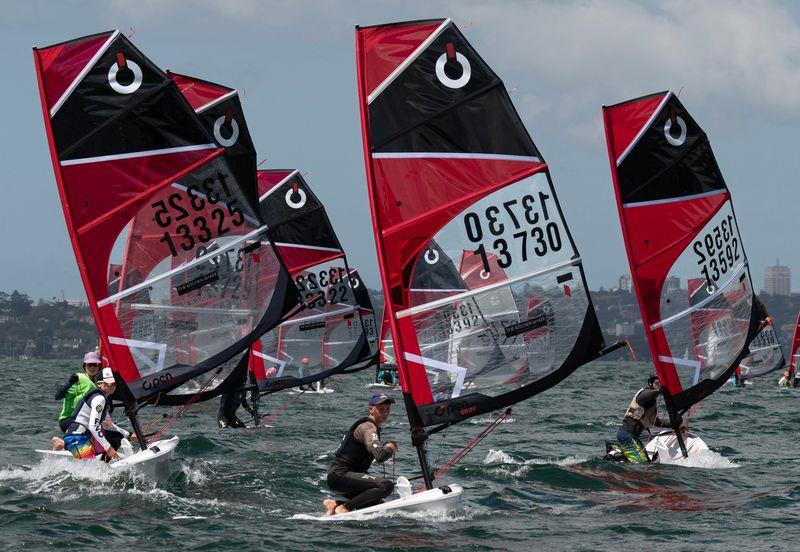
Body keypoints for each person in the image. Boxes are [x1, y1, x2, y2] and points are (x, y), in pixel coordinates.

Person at [323, 392, 398, 516]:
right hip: (341, 475)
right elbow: (380, 456)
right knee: (386, 486)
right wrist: (390, 448)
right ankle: (344, 508)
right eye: (381, 409)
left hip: (344, 476)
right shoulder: (368, 427)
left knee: (376, 504)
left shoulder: (371, 427)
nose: (385, 412)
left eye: (388, 409)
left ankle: (335, 504)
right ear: (371, 409)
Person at [63, 368, 131, 461]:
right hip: (76, 439)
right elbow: (93, 427)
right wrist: (109, 448)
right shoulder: (99, 399)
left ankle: (103, 463)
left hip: (82, 437)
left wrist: (128, 434)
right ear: (99, 384)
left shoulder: (103, 399)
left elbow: (108, 425)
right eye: (108, 384)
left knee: (116, 437)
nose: (111, 387)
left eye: (114, 384)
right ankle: (102, 465)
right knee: (92, 465)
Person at [616, 375, 670, 463]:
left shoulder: (652, 403)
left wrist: (675, 424)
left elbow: (656, 422)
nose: (659, 385)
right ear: (650, 384)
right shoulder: (645, 393)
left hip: (631, 436)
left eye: (661, 383)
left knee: (646, 461)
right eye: (657, 383)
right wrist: (659, 391)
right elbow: (643, 398)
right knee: (642, 463)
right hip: (627, 435)